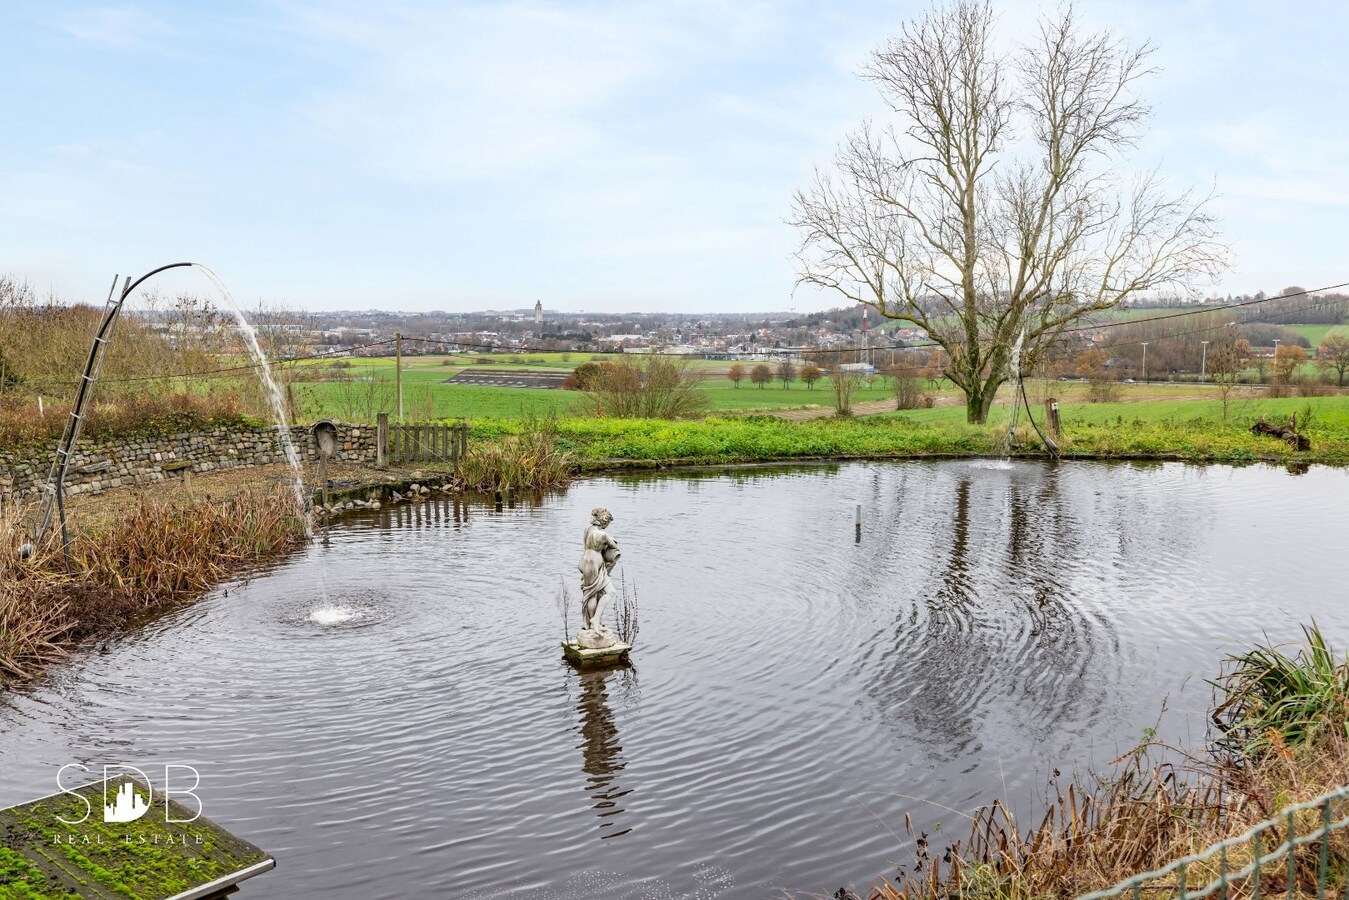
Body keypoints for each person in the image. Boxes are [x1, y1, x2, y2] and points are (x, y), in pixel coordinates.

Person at [578, 507, 620, 636]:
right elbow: (614, 546)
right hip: (593, 565)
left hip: (585, 561)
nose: (608, 525)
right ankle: (593, 623)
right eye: (608, 522)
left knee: (599, 593)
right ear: (604, 521)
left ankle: (594, 621)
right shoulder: (603, 535)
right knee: (593, 594)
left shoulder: (587, 529)